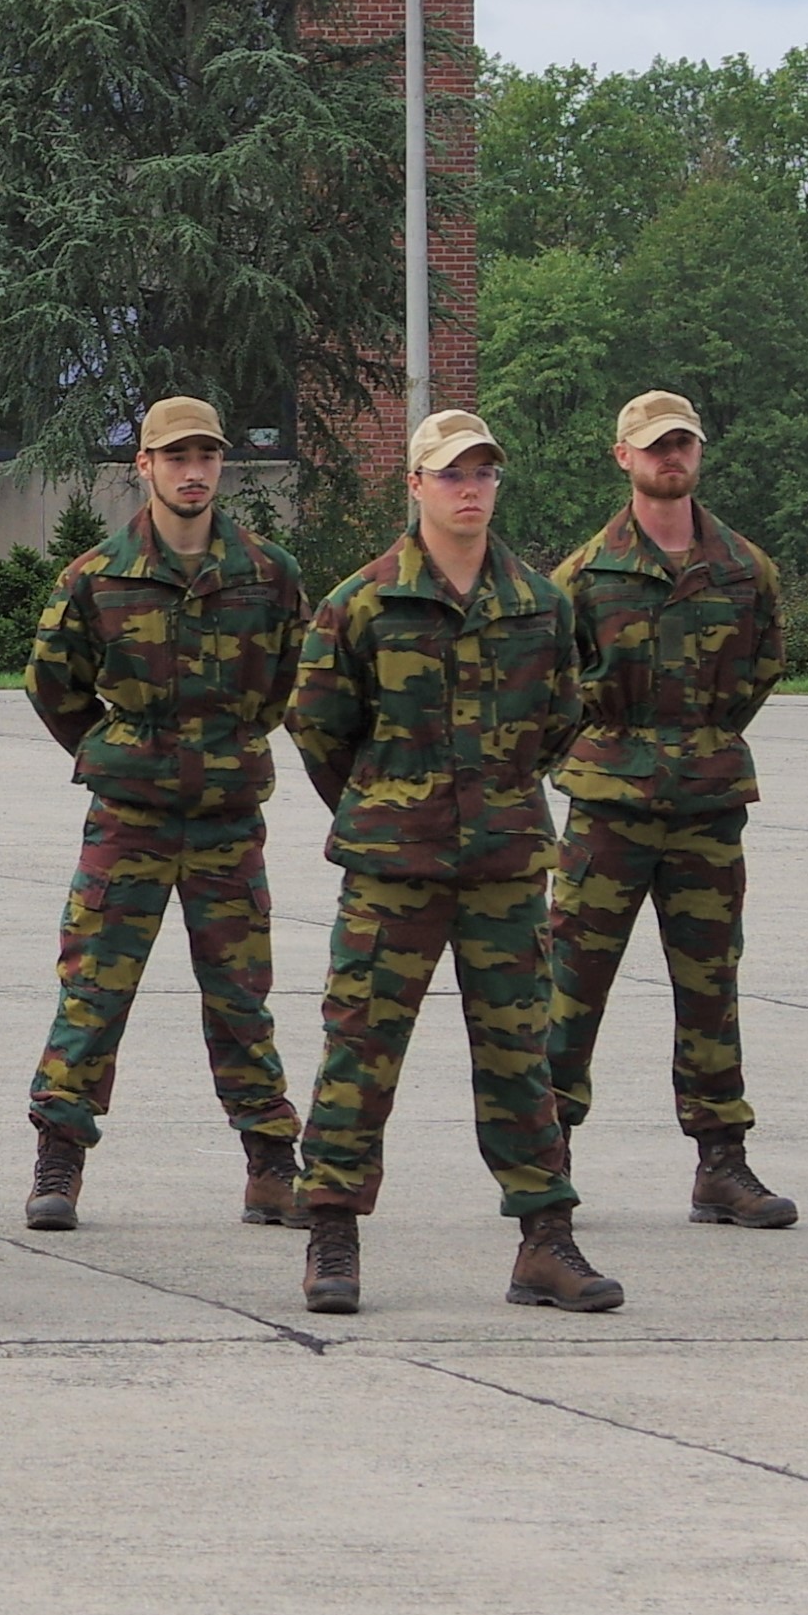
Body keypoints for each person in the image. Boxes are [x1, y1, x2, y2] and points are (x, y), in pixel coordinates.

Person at [284, 408, 608, 1314]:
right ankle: (333, 1236)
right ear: (416, 484)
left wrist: (491, 794)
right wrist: (389, 802)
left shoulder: (543, 603)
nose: (470, 488)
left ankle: (546, 1239)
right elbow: (318, 727)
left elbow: (560, 717)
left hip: (504, 864)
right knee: (360, 1049)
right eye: (452, 473)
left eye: (484, 473)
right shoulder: (362, 602)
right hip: (393, 867)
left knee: (521, 1057)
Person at [16, 392, 307, 1236]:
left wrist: (232, 744)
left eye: (207, 457)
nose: (193, 472)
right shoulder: (96, 576)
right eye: (176, 457)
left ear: (222, 466)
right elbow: (52, 683)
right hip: (130, 817)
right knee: (93, 990)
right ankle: (60, 1155)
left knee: (242, 995)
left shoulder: (268, 573)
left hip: (225, 819)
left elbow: (289, 678)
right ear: (143, 466)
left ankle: (268, 1161)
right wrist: (116, 751)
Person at [544, 390, 796, 1230]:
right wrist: (609, 751)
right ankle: (547, 1156)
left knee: (710, 986)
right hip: (609, 808)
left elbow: (761, 670)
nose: (669, 458)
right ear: (623, 457)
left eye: (681, 444)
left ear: (698, 452)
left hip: (707, 807)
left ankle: (721, 1161)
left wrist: (697, 745)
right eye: (653, 447)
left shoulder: (743, 567)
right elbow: (547, 691)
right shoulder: (583, 576)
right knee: (573, 985)